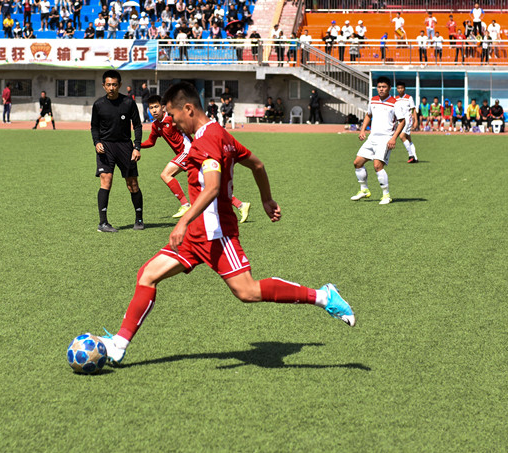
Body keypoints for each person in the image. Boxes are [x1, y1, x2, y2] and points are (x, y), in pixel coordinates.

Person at [99, 82, 355, 366]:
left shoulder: (206, 140)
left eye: (174, 115)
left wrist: (183, 221)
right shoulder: (220, 134)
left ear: (188, 109)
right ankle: (119, 345)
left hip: (216, 234)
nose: (173, 122)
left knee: (248, 292)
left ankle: (323, 296)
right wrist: (266, 199)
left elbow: (212, 187)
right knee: (147, 275)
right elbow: (257, 165)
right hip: (195, 236)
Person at [143, 94, 251, 222]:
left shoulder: (172, 118)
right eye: (151, 108)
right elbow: (151, 142)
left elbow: (190, 125)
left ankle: (185, 205)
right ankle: (241, 205)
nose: (154, 110)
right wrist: (136, 146)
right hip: (188, 154)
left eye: (156, 107)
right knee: (208, 185)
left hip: (189, 151)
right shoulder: (156, 125)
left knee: (166, 174)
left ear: (163, 107)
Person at [90, 69, 144, 233]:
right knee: (106, 181)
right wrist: (97, 142)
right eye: (108, 85)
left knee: (132, 184)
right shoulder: (98, 105)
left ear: (119, 85)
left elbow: (138, 125)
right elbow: (94, 127)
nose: (111, 88)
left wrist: (136, 147)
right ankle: (103, 223)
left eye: (114, 84)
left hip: (125, 146)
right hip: (106, 147)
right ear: (103, 86)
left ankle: (139, 219)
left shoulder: (128, 103)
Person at [351, 76, 405, 206]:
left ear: (389, 88)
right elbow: (368, 115)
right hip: (372, 138)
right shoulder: (373, 100)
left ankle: (386, 195)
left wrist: (393, 138)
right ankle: (364, 190)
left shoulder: (395, 103)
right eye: (379, 87)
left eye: (384, 87)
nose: (381, 89)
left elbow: (402, 121)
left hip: (385, 139)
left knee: (377, 166)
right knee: (357, 163)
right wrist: (363, 130)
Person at [394, 81, 419, 163]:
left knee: (402, 136)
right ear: (396, 89)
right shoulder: (395, 99)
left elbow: (413, 110)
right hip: (400, 121)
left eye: (401, 88)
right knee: (408, 139)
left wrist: (416, 121)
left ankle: (411, 155)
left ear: (404, 89)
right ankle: (415, 158)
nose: (400, 89)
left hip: (408, 120)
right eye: (398, 88)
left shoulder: (409, 98)